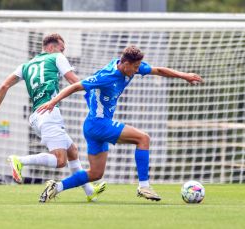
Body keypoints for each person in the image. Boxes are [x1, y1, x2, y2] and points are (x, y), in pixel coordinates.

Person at [36, 45, 203, 203]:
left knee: (95, 173)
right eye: (135, 67)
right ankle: (144, 186)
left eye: (139, 66)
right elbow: (76, 86)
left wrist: (184, 75)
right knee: (143, 139)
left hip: (93, 126)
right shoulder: (106, 76)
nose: (137, 70)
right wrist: (53, 101)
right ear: (125, 64)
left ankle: (56, 187)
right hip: (98, 124)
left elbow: (158, 70)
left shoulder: (130, 66)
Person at [0, 33, 105, 202]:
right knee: (60, 160)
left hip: (36, 116)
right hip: (49, 113)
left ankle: (89, 191)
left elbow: (4, 85)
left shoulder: (25, 65)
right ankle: (19, 160)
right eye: (62, 49)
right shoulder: (56, 57)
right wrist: (94, 91)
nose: (63, 52)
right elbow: (73, 81)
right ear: (51, 47)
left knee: (72, 151)